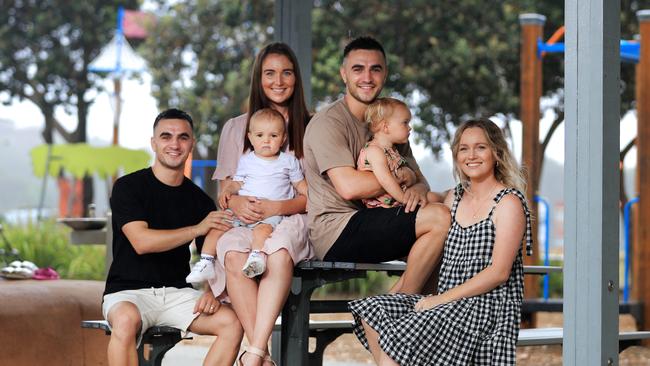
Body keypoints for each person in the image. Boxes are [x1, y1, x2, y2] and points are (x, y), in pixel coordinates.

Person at [349, 118, 532, 365]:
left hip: (484, 308)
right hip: (447, 303)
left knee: (398, 341)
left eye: (481, 147)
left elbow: (499, 272)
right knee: (372, 313)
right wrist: (414, 187)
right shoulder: (454, 198)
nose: (471, 155)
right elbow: (422, 200)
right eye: (464, 148)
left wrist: (440, 299)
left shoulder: (508, 202)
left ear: (496, 154)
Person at [303, 36, 450, 294]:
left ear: (385, 74)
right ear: (343, 74)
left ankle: (401, 317)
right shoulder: (329, 122)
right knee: (439, 217)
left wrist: (415, 189)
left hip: (377, 216)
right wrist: (404, 178)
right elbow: (349, 188)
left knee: (452, 212)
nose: (367, 77)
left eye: (376, 69)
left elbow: (420, 179)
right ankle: (388, 313)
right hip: (338, 228)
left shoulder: (389, 121)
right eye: (358, 69)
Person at [102, 108, 243, 366]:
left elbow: (213, 255)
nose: (174, 144)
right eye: (166, 137)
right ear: (154, 143)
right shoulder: (128, 187)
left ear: (191, 144)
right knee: (125, 320)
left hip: (178, 293)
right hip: (128, 292)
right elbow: (141, 242)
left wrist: (212, 290)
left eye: (183, 137)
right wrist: (196, 229)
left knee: (231, 323)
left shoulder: (200, 200)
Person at [209, 43, 312, 366]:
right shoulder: (236, 127)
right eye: (270, 73)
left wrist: (276, 209)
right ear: (258, 78)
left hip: (294, 218)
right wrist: (236, 201)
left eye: (286, 72)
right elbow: (225, 190)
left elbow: (314, 196)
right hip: (246, 219)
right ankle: (259, 353)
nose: (278, 81)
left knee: (278, 252)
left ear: (296, 78)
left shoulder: (312, 126)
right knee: (233, 252)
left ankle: (253, 354)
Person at [187, 108, 307, 283]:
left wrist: (310, 195)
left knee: (263, 231)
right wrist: (228, 190)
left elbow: (299, 184)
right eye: (260, 135)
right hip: (240, 213)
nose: (266, 140)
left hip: (270, 215)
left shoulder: (288, 161)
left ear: (283, 139)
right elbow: (237, 182)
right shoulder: (247, 161)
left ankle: (256, 257)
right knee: (217, 227)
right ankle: (206, 262)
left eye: (273, 136)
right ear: (250, 138)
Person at [358, 97, 443, 208]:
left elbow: (414, 177)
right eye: (405, 123)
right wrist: (404, 200)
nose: (410, 128)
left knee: (435, 197)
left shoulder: (393, 150)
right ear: (386, 127)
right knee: (434, 200)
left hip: (398, 200)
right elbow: (385, 180)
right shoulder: (374, 151)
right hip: (384, 207)